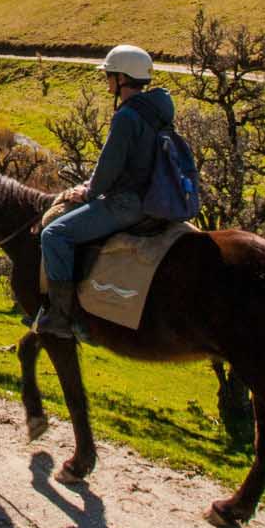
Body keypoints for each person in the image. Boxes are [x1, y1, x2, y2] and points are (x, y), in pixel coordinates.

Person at [34, 43, 173, 338]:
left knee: (54, 235)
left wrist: (87, 191)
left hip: (127, 203)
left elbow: (109, 168)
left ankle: (61, 316)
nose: (106, 80)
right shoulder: (158, 109)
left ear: (122, 79)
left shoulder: (126, 117)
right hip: (153, 198)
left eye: (109, 75)